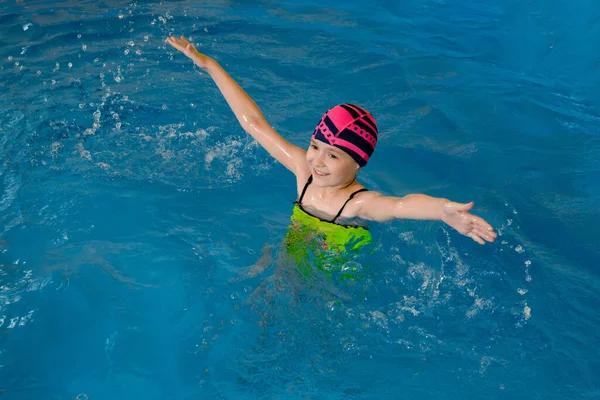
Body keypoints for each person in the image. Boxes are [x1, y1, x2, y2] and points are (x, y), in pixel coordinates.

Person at [165, 36, 497, 272]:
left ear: (359, 162)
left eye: (334, 156)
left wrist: (442, 210)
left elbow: (399, 206)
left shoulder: (358, 203)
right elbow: (254, 124)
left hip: (335, 272)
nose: (318, 161)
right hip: (294, 254)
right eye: (315, 147)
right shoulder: (303, 173)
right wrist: (210, 66)